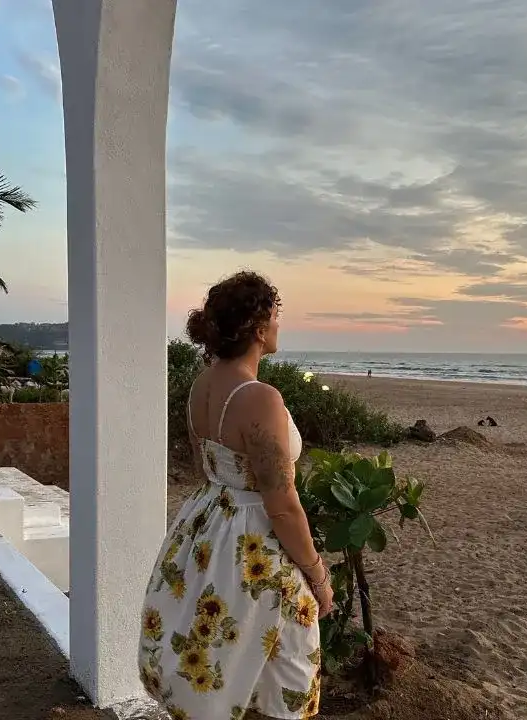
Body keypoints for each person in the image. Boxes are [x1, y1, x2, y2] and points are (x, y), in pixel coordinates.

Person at [139, 272, 330, 720]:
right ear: (260, 329)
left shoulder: (202, 384)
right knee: (289, 670)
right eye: (277, 317)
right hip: (254, 540)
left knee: (225, 663)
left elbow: (202, 464)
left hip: (206, 527)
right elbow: (281, 504)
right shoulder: (260, 397)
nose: (280, 325)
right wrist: (318, 576)